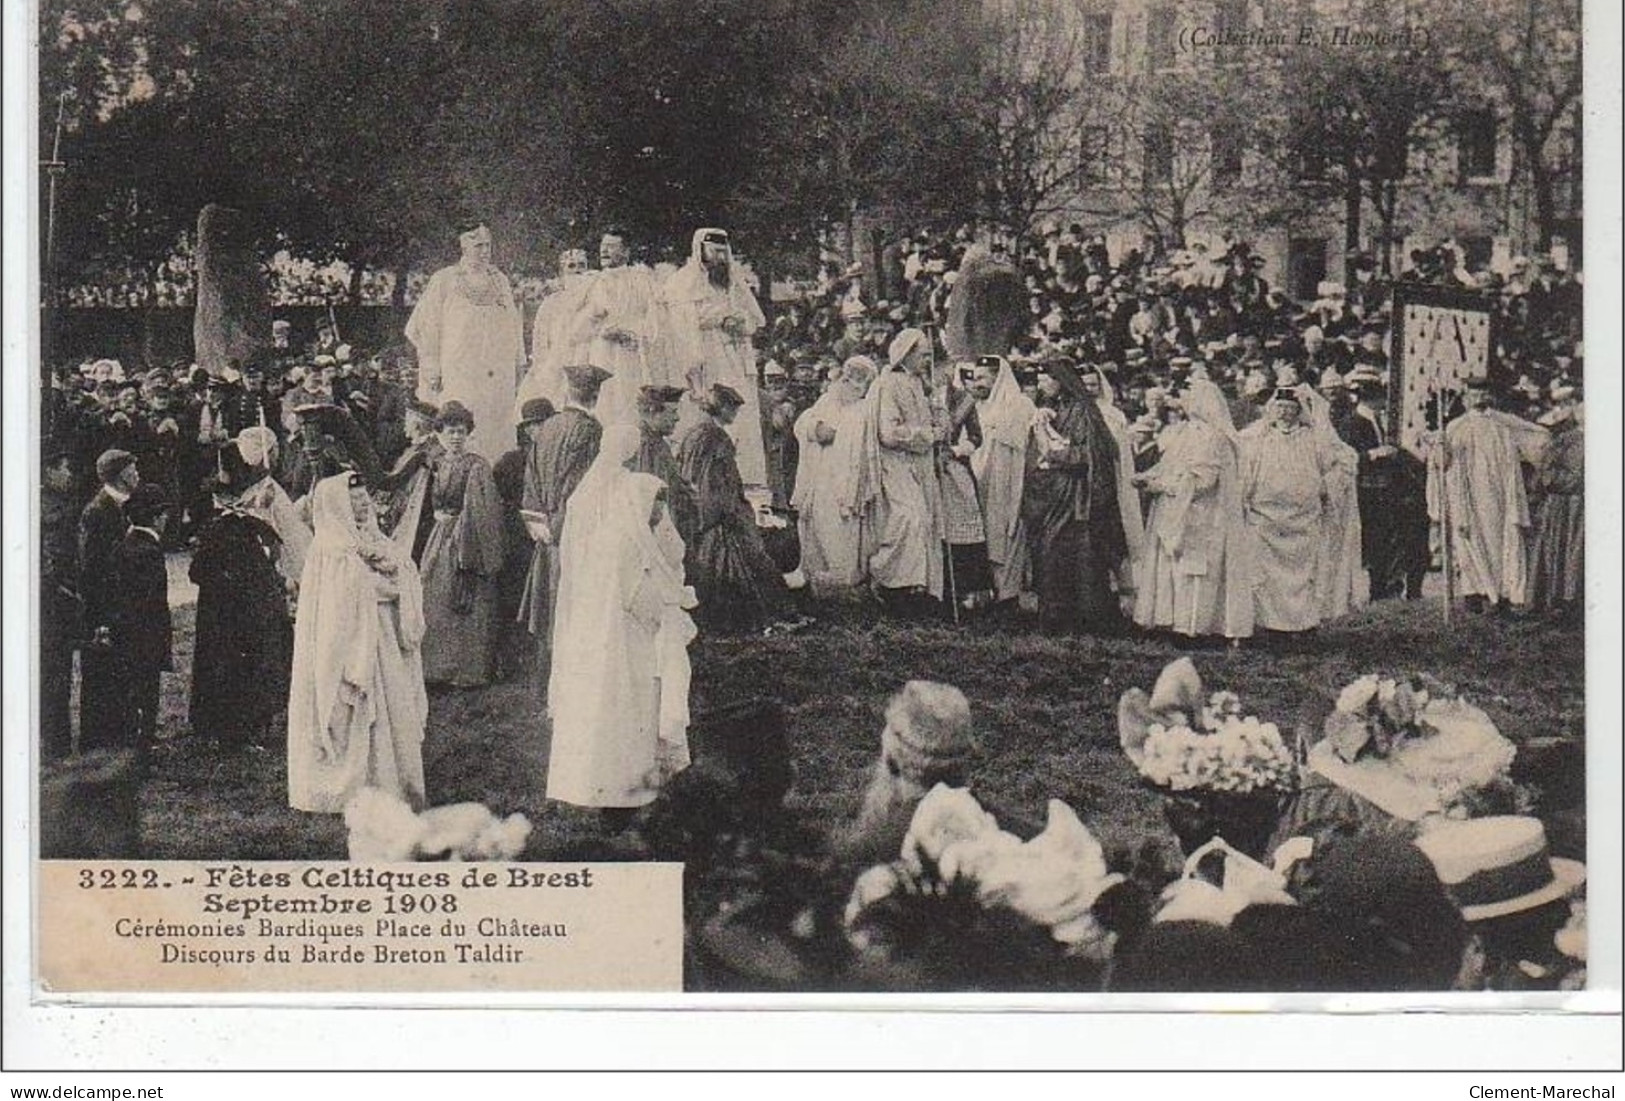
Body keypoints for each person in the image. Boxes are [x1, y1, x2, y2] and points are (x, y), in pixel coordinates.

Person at [547, 425, 697, 826]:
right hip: (622, 647)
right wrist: (671, 605)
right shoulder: (623, 544)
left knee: (627, 718)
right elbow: (643, 600)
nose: (659, 515)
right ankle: (619, 799)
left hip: (617, 643)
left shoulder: (622, 537)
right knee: (623, 719)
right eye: (655, 507)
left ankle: (626, 793)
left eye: (662, 507)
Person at [288, 472, 428, 814]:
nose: (363, 507)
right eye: (355, 503)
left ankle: (386, 779)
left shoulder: (369, 538)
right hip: (351, 646)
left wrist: (396, 572)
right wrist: (388, 582)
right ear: (338, 508)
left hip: (380, 637)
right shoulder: (332, 549)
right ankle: (351, 785)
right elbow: (347, 597)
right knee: (352, 711)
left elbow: (401, 569)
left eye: (365, 500)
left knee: (391, 706)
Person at [189, 442, 299, 752]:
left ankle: (242, 725)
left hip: (237, 609)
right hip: (231, 612)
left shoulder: (242, 525)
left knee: (242, 665)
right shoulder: (226, 527)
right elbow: (199, 571)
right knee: (233, 668)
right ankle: (234, 730)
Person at [1132, 379, 1254, 644]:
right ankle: (1174, 621)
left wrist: (1162, 485)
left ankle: (1194, 627)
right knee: (1175, 569)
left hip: (1202, 514)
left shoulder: (1214, 437)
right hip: (1177, 508)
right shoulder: (1187, 431)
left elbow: (1204, 480)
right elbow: (1169, 464)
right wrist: (1149, 476)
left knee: (1196, 571)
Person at [1022, 356, 1128, 636]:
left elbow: (1088, 456)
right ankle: (1058, 617)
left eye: (1047, 379)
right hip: (1057, 493)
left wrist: (1054, 453)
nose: (1041, 384)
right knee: (1053, 554)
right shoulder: (1056, 408)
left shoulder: (1083, 411)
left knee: (1074, 556)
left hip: (1078, 497)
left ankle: (1082, 619)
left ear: (1061, 381)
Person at [405, 223, 526, 462]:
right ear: (463, 246)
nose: (485, 251)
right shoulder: (445, 279)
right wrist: (432, 366)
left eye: (488, 245)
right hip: (459, 370)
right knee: (460, 423)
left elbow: (514, 325)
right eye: (478, 245)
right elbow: (424, 327)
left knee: (495, 427)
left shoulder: (500, 280)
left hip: (496, 373)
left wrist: (519, 363)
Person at [517, 364, 610, 678]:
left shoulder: (547, 428)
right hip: (576, 532)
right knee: (577, 606)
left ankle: (547, 684)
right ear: (595, 394)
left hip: (545, 532)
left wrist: (540, 525)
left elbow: (530, 482)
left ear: (569, 391)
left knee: (551, 609)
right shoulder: (591, 430)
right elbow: (585, 487)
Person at [677, 384, 791, 634]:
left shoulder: (694, 433)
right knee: (743, 563)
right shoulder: (716, 438)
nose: (736, 414)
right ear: (723, 408)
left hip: (700, 511)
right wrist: (734, 511)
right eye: (733, 408)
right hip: (719, 514)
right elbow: (717, 482)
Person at [665, 229, 769, 486]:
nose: (720, 259)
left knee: (741, 418)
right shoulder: (683, 283)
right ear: (701, 251)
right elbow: (683, 326)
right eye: (714, 251)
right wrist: (719, 318)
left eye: (724, 252)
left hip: (735, 357)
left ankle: (746, 481)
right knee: (709, 416)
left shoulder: (734, 284)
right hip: (706, 359)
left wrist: (739, 322)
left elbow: (756, 320)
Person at [854, 328, 947, 614]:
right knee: (909, 520)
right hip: (893, 466)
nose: (927, 361)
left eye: (930, 355)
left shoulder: (921, 384)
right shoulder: (888, 384)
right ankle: (890, 585)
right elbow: (889, 433)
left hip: (918, 466)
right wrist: (929, 435)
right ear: (906, 355)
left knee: (926, 522)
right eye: (924, 355)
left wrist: (939, 414)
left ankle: (920, 591)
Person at [418, 402, 506, 688]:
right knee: (436, 597)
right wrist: (435, 514)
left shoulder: (477, 465)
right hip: (440, 537)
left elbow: (483, 509)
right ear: (439, 434)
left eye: (460, 432)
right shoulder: (436, 463)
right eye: (450, 432)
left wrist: (462, 534)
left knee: (466, 600)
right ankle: (437, 669)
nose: (456, 437)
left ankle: (466, 670)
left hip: (468, 537)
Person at [1239, 388, 1334, 641]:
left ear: (1298, 411)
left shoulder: (1310, 438)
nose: (1285, 413)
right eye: (1280, 407)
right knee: (1268, 575)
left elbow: (1330, 463)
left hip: (1303, 518)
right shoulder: (1258, 438)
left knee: (1304, 574)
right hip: (1266, 518)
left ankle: (1304, 624)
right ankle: (1272, 626)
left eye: (1290, 408)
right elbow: (1246, 472)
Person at [1440, 378, 1537, 615]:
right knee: (1467, 540)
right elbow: (1443, 464)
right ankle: (1473, 593)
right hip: (1466, 495)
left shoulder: (1501, 427)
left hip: (1497, 494)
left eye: (1483, 394)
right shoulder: (1455, 428)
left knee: (1497, 542)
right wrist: (1440, 449)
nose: (1479, 399)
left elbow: (1517, 458)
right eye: (1474, 395)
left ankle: (1499, 595)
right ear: (1465, 399)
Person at [793, 356, 876, 595]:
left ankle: (843, 582)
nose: (852, 384)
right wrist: (814, 429)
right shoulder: (826, 401)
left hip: (846, 482)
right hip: (819, 477)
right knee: (816, 527)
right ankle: (816, 579)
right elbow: (805, 425)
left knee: (842, 532)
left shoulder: (864, 410)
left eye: (860, 380)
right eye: (849, 377)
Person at [568, 231, 666, 433]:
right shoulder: (590, 283)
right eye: (603, 245)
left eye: (612, 246)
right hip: (600, 354)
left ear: (626, 252)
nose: (604, 250)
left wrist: (632, 333)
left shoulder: (642, 281)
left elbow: (655, 321)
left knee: (629, 403)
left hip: (630, 355)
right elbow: (573, 330)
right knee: (603, 402)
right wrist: (598, 326)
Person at [77, 448, 139, 752]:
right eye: (133, 470)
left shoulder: (121, 507)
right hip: (105, 611)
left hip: (120, 609)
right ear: (122, 475)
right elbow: (91, 570)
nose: (138, 475)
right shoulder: (97, 512)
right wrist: (99, 619)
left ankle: (117, 739)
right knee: (101, 678)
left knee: (119, 676)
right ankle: (98, 744)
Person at [106, 484, 173, 757]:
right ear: (157, 517)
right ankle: (142, 746)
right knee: (147, 692)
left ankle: (133, 740)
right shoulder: (149, 551)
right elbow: (152, 602)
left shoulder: (125, 544)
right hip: (146, 635)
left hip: (126, 633)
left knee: (131, 689)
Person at [969, 356, 1035, 606]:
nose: (977, 384)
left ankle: (1009, 596)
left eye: (982, 378)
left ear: (998, 378)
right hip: (982, 479)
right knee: (985, 533)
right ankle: (989, 594)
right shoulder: (976, 407)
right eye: (974, 379)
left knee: (1008, 533)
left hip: (1010, 480)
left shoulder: (1019, 404)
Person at [518, 248, 596, 415]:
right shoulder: (552, 303)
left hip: (585, 358)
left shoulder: (595, 300)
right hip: (556, 364)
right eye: (571, 266)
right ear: (562, 273)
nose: (577, 270)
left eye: (582, 265)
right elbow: (540, 339)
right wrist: (542, 367)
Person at [1528, 387, 1582, 620]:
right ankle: (1555, 599)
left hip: (1579, 504)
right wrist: (1573, 482)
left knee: (1575, 551)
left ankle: (1572, 600)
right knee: (1557, 550)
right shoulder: (1557, 445)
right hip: (1562, 504)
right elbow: (1545, 476)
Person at [41, 445, 80, 762]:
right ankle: (55, 746)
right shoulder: (48, 509)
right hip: (52, 602)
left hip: (57, 599)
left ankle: (57, 743)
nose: (70, 474)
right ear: (48, 471)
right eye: (65, 468)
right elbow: (50, 562)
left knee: (57, 674)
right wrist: (64, 588)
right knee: (53, 674)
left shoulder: (59, 503)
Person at [630, 384, 699, 547]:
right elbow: (652, 501)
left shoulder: (657, 442)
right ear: (654, 412)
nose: (677, 418)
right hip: (661, 538)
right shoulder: (647, 446)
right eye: (673, 412)